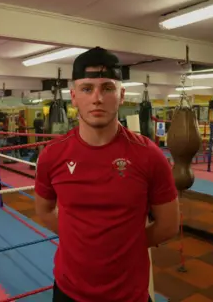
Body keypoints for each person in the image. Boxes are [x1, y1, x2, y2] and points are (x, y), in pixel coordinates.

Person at [34, 47, 180, 302]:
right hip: (69, 291)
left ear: (121, 95)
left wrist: (124, 247)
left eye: (108, 88)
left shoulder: (149, 155)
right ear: (74, 96)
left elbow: (168, 225)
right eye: (87, 88)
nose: (97, 98)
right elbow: (44, 211)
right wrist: (82, 244)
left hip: (129, 295)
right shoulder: (52, 155)